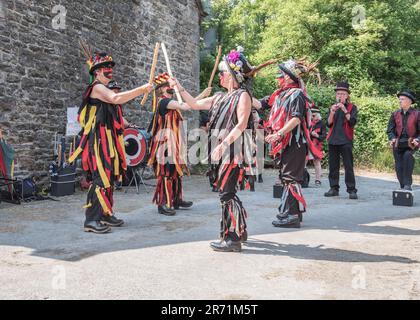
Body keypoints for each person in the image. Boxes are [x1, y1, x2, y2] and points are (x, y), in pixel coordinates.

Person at [168, 47, 256, 252]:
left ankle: (232, 239)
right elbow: (192, 105)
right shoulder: (219, 97)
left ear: (233, 76)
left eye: (223, 73)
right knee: (228, 192)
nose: (220, 76)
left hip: (233, 152)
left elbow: (241, 124)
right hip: (221, 151)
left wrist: (224, 145)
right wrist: (179, 87)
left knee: (226, 193)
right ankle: (239, 230)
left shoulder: (243, 96)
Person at [69, 50, 153, 233]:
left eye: (110, 67)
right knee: (100, 178)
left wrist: (130, 125)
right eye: (105, 67)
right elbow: (115, 98)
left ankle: (105, 213)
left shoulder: (105, 90)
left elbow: (115, 114)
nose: (109, 70)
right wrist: (141, 89)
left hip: (110, 141)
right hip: (99, 141)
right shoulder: (97, 88)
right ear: (97, 72)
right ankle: (91, 220)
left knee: (109, 178)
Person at [258, 58, 322, 228]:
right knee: (287, 178)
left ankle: (292, 215)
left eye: (280, 74)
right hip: (285, 143)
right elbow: (259, 104)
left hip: (295, 142)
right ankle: (292, 213)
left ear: (287, 77)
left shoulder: (297, 94)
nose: (277, 77)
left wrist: (278, 133)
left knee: (291, 178)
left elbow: (296, 118)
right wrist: (243, 89)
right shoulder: (278, 94)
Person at [147, 73, 193, 216]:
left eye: (170, 87)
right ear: (161, 90)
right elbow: (187, 106)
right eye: (168, 87)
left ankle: (176, 200)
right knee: (166, 173)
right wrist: (198, 95)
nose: (170, 89)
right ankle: (163, 204)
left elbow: (188, 105)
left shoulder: (170, 103)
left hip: (173, 144)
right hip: (164, 145)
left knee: (175, 172)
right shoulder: (164, 102)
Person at [324, 81, 358, 200]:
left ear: (347, 95)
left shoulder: (352, 107)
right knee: (333, 166)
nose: (340, 96)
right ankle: (334, 188)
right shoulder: (332, 107)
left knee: (348, 166)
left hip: (346, 140)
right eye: (338, 93)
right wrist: (332, 112)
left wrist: (345, 110)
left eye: (343, 94)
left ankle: (351, 190)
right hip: (333, 139)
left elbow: (352, 122)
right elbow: (328, 124)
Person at [387, 90, 419, 191]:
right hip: (398, 144)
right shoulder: (395, 114)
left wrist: (418, 139)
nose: (400, 101)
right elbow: (390, 130)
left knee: (407, 158)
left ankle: (407, 185)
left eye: (402, 99)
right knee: (399, 167)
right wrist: (392, 138)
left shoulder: (417, 114)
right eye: (399, 99)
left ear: (409, 101)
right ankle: (403, 186)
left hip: (411, 144)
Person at [307, 106, 326, 186]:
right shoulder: (308, 122)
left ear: (318, 115)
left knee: (317, 162)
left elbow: (324, 136)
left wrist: (317, 136)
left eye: (314, 115)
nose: (312, 117)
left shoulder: (322, 124)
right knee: (303, 161)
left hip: (316, 146)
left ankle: (318, 180)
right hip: (307, 144)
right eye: (311, 115)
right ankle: (302, 178)